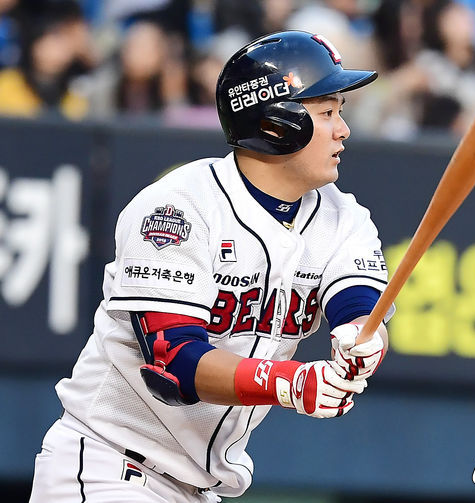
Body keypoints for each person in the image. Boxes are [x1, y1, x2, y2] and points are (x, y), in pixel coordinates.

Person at [29, 30, 391, 502]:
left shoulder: (344, 217)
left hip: (199, 488)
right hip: (109, 464)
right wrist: (290, 382)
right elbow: (175, 361)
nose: (343, 130)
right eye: (326, 113)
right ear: (277, 123)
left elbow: (359, 307)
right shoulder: (178, 208)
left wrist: (363, 340)